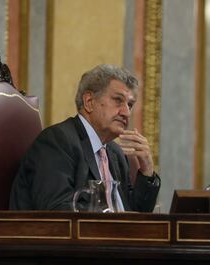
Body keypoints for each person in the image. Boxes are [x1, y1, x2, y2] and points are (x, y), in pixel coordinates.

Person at [9, 64, 160, 212]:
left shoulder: (115, 152)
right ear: (89, 102)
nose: (126, 112)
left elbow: (137, 214)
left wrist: (147, 171)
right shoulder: (57, 142)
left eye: (130, 105)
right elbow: (56, 211)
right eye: (118, 100)